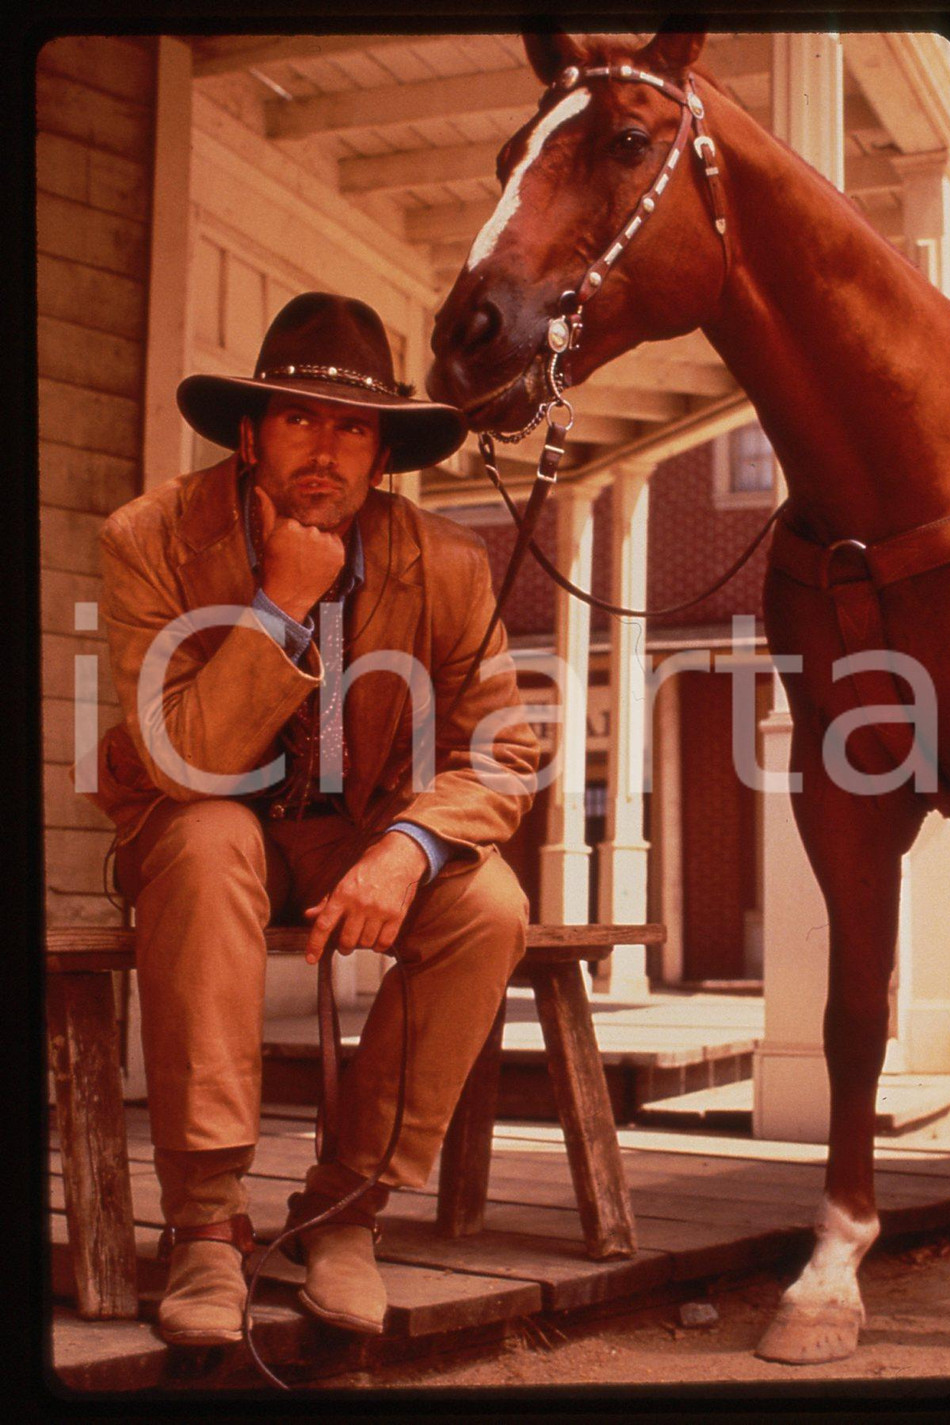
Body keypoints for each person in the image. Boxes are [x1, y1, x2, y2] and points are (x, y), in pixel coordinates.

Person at [87, 292, 539, 1345]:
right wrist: (280, 609)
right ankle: (204, 1227)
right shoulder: (149, 538)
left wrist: (406, 847)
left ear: (381, 454)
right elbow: (183, 759)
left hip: (353, 833)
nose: (323, 451)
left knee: (488, 904)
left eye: (350, 427)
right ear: (250, 435)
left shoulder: (451, 565)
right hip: (198, 826)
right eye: (297, 419)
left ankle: (344, 1211)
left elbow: (502, 752)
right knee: (207, 841)